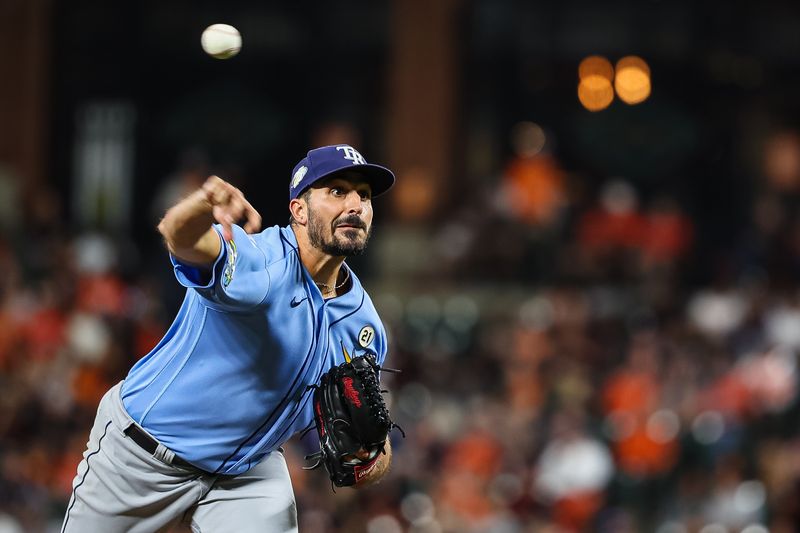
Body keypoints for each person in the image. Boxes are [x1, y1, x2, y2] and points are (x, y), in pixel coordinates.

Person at [61, 144, 396, 533]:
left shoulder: (364, 325)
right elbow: (179, 237)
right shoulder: (258, 260)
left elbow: (375, 443)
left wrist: (373, 458)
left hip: (246, 472)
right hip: (144, 453)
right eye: (338, 191)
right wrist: (203, 204)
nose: (355, 204)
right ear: (299, 211)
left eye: (364, 195)